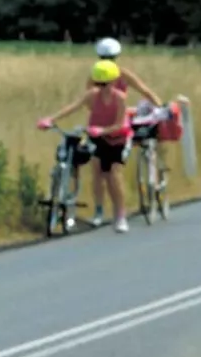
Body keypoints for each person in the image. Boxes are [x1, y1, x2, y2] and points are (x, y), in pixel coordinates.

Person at [38, 59, 155, 233]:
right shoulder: (91, 95)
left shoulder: (120, 99)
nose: (101, 88)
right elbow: (73, 107)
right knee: (97, 172)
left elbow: (119, 124)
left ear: (114, 82)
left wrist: (102, 130)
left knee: (114, 175)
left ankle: (120, 215)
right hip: (97, 136)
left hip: (117, 138)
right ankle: (98, 210)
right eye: (98, 83)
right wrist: (51, 119)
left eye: (105, 84)